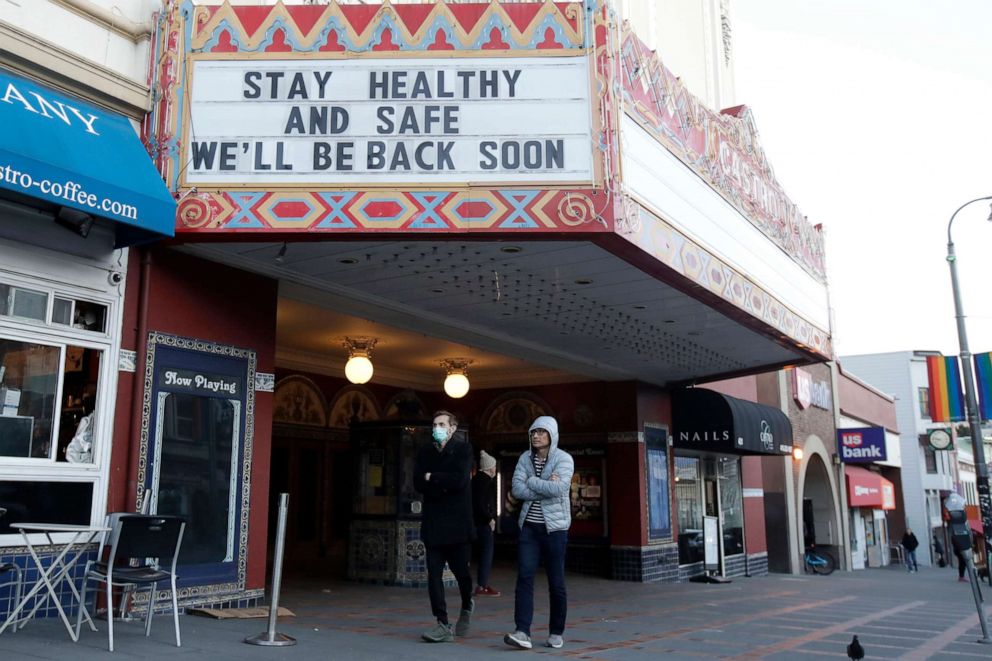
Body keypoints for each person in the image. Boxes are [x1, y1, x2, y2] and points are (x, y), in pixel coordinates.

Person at [504, 416, 574, 651]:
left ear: (552, 435)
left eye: (542, 432)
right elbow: (517, 489)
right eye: (533, 432)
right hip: (529, 529)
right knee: (524, 576)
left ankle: (556, 632)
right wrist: (543, 482)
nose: (536, 436)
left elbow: (560, 488)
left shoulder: (564, 459)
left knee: (556, 581)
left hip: (555, 529)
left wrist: (532, 481)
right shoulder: (525, 458)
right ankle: (522, 631)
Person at [413, 410, 475, 642]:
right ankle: (442, 622)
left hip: (458, 525)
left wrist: (433, 477)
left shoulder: (463, 449)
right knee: (434, 574)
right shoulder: (426, 452)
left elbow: (460, 480)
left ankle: (468, 603)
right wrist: (437, 479)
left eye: (441, 424)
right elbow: (418, 481)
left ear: (452, 428)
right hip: (433, 523)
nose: (436, 428)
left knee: (461, 573)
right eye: (434, 424)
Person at [472, 450, 500, 597]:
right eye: (494, 467)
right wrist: (489, 518)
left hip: (474, 523)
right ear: (490, 468)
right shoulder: (485, 482)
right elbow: (481, 504)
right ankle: (482, 585)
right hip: (483, 524)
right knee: (486, 553)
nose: (495, 469)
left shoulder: (475, 480)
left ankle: (481, 584)